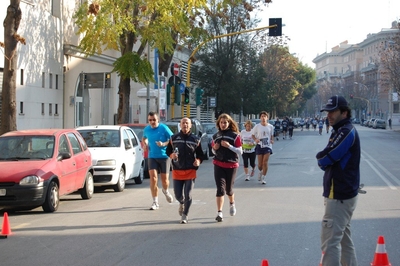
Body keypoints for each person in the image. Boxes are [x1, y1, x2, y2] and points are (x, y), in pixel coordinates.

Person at [316, 95, 360, 266]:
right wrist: (324, 158)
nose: (329, 115)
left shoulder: (346, 131)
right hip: (344, 194)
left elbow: (326, 156)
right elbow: (328, 155)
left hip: (339, 195)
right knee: (344, 240)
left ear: (344, 112)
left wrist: (321, 159)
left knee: (330, 242)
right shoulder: (340, 130)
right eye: (327, 112)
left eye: (333, 111)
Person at [166, 117, 204, 224]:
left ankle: (185, 215)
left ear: (190, 125)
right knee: (178, 195)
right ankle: (181, 203)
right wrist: (171, 155)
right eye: (183, 123)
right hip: (177, 170)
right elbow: (168, 150)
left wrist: (198, 160)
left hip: (190, 171)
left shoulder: (196, 139)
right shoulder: (174, 138)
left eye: (187, 123)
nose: (185, 125)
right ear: (180, 125)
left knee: (188, 194)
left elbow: (201, 154)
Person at [211, 113, 242, 222]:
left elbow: (240, 151)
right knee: (220, 189)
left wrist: (229, 146)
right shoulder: (215, 136)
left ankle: (232, 203)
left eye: (225, 122)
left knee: (229, 190)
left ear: (229, 123)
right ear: (218, 124)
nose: (223, 124)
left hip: (231, 164)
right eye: (221, 122)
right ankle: (219, 212)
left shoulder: (235, 135)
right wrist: (215, 148)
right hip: (218, 164)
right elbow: (213, 150)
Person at [142, 111, 174, 210]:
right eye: (150, 120)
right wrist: (145, 144)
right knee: (153, 178)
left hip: (164, 156)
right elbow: (144, 138)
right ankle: (155, 202)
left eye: (154, 120)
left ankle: (165, 190)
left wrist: (163, 144)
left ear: (158, 119)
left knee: (165, 180)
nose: (152, 122)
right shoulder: (147, 129)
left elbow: (173, 139)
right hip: (152, 156)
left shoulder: (164, 128)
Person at [252, 111, 274, 185]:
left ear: (267, 118)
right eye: (262, 116)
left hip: (267, 146)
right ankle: (261, 172)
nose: (263, 118)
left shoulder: (270, 127)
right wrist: (255, 140)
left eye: (265, 116)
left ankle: (264, 177)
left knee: (265, 162)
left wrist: (272, 140)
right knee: (260, 165)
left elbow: (271, 135)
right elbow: (252, 135)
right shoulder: (257, 126)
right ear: (260, 118)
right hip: (259, 145)